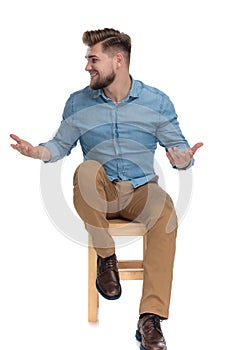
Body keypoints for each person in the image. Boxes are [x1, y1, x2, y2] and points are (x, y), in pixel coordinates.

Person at [10, 28, 203, 350]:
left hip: (142, 189)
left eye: (93, 59)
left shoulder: (156, 101)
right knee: (86, 169)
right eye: (87, 59)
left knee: (166, 213)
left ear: (118, 60)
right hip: (98, 191)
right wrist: (38, 152)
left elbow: (180, 149)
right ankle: (106, 257)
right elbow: (60, 145)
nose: (87, 66)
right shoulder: (78, 102)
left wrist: (182, 160)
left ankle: (150, 318)